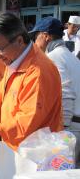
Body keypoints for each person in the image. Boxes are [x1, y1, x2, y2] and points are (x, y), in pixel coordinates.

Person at [0, 12, 63, 151]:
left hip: (35, 152)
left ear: (19, 41)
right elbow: (7, 93)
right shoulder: (15, 60)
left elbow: (27, 122)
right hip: (16, 146)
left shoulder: (38, 72)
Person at [31, 16, 80, 167]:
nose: (34, 42)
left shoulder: (53, 57)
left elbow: (66, 94)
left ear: (45, 36)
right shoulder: (70, 57)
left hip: (69, 127)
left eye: (35, 36)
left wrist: (61, 132)